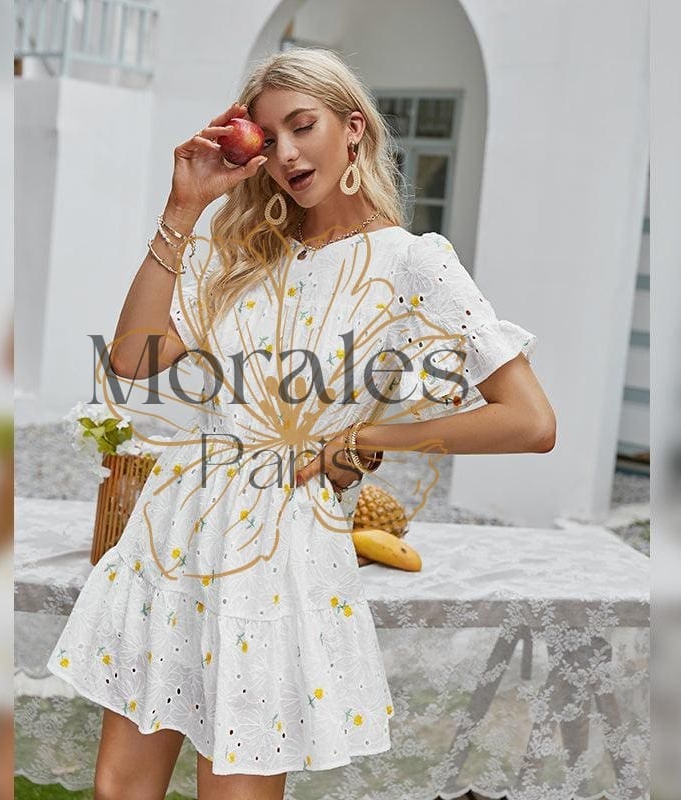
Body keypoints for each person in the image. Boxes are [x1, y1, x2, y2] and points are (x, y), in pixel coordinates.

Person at [47, 48, 555, 800]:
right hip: (175, 527)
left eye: (302, 126)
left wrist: (364, 438)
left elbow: (530, 421)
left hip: (280, 552)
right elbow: (131, 358)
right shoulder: (242, 251)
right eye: (269, 135)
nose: (286, 153)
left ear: (353, 129)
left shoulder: (412, 263)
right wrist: (184, 210)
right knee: (119, 789)